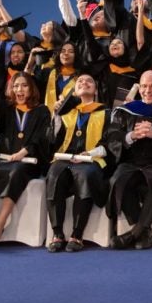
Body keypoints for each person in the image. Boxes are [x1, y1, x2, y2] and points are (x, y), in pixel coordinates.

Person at [0, 69, 51, 247]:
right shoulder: (8, 109)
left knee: (16, 172)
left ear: (31, 89)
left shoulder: (41, 111)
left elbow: (42, 137)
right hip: (4, 158)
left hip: (28, 161)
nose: (20, 90)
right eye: (16, 86)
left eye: (24, 85)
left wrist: (24, 151)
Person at [104, 70, 152, 249]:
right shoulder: (126, 111)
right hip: (131, 162)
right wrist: (131, 135)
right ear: (139, 88)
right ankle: (144, 231)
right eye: (144, 86)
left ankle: (134, 233)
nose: (148, 90)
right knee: (118, 180)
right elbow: (112, 136)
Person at [45, 72, 109, 253]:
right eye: (80, 81)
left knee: (85, 175)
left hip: (91, 161)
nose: (84, 83)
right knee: (54, 174)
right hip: (64, 159)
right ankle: (57, 233)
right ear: (74, 90)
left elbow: (111, 142)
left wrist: (89, 153)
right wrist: (57, 115)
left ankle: (77, 234)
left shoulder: (106, 112)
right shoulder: (67, 113)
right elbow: (51, 141)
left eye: (90, 81)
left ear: (96, 90)